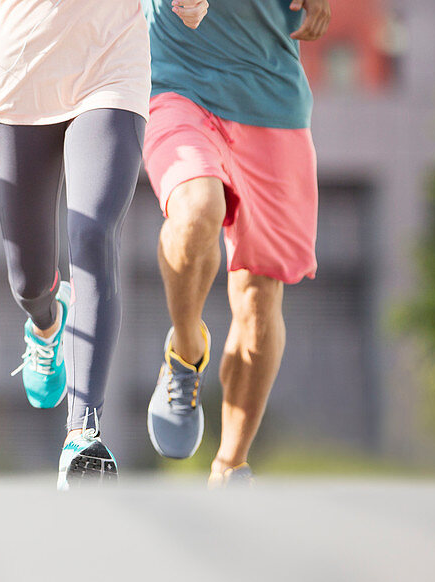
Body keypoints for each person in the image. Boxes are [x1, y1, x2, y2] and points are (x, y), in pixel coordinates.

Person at [0, 0, 207, 488]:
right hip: (20, 73)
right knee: (28, 282)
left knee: (93, 233)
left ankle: (83, 434)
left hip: (110, 66)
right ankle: (46, 320)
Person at [142, 0, 330, 486]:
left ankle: (230, 464)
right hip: (176, 83)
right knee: (197, 209)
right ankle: (185, 352)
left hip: (272, 99)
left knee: (259, 300)